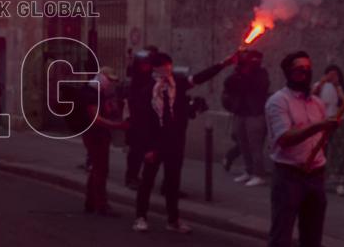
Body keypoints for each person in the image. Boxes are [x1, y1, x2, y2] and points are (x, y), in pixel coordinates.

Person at [261, 51, 343, 247]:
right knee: (280, 240)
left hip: (314, 176)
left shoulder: (317, 103)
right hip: (289, 176)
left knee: (312, 242)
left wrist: (324, 140)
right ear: (288, 73)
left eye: (308, 69)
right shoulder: (278, 102)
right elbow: (285, 138)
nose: (304, 74)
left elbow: (320, 137)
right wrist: (319, 125)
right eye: (298, 70)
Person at [132, 52, 233, 234]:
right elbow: (142, 123)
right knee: (147, 181)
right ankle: (141, 216)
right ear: (156, 68)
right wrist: (147, 148)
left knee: (173, 182)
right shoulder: (147, 91)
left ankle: (173, 219)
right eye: (164, 65)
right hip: (155, 144)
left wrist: (223, 64)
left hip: (174, 143)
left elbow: (201, 77)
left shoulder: (178, 85)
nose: (168, 69)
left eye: (169, 65)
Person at [81, 68, 128, 216]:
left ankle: (91, 202)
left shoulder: (97, 92)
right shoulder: (91, 93)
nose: (110, 83)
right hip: (95, 135)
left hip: (97, 134)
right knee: (101, 170)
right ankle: (101, 205)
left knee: (97, 168)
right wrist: (117, 125)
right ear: (102, 77)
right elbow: (96, 118)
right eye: (109, 80)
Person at [222, 50, 270, 187]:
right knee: (243, 144)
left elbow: (258, 87)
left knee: (255, 146)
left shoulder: (261, 74)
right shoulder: (239, 73)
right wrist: (238, 71)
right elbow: (228, 84)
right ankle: (249, 171)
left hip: (255, 114)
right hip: (241, 113)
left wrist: (245, 73)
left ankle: (259, 174)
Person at [314, 64, 344, 196]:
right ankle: (320, 180)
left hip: (339, 121)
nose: (332, 76)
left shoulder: (341, 87)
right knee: (321, 151)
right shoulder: (319, 85)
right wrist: (322, 83)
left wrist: (337, 86)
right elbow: (311, 98)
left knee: (340, 152)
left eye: (335, 74)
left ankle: (340, 181)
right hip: (323, 121)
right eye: (330, 74)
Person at [124, 49, 155, 189]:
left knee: (147, 150)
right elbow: (132, 100)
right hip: (137, 120)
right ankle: (131, 177)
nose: (146, 67)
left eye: (148, 64)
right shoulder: (135, 80)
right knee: (136, 151)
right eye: (144, 64)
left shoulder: (150, 78)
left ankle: (141, 177)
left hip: (148, 120)